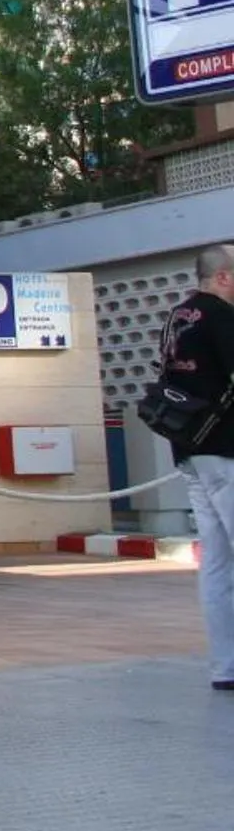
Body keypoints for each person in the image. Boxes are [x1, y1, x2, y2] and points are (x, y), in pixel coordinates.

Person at [157, 243, 234, 692]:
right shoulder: (222, 317)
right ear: (223, 276)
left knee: (217, 561)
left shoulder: (178, 317)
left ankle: (225, 666)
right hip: (225, 450)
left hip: (189, 450)